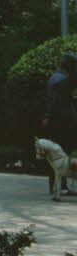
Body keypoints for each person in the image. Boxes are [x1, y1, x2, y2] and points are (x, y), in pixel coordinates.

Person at [41, 53, 77, 196]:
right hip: (63, 122)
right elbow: (56, 101)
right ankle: (60, 187)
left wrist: (47, 116)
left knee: (56, 154)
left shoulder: (55, 78)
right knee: (63, 153)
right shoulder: (63, 80)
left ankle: (57, 186)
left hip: (56, 121)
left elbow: (53, 100)